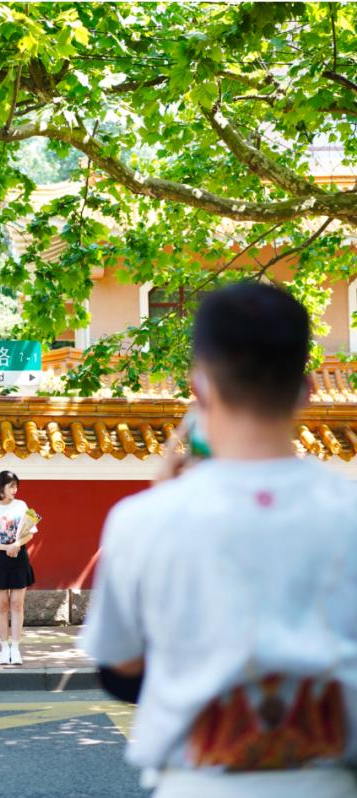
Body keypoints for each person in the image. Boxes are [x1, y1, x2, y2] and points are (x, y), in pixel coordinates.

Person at [80, 282, 357, 797]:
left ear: (199, 388)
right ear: (307, 390)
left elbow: (121, 669)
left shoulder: (144, 519)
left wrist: (160, 504)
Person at [0, 470, 41, 666]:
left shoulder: (21, 506)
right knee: (1, 605)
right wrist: (6, 547)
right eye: (11, 486)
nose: (15, 489)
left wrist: (17, 544)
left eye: (16, 486)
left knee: (17, 604)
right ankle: (4, 648)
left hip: (19, 557)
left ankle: (16, 648)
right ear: (1, 487)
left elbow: (30, 533)